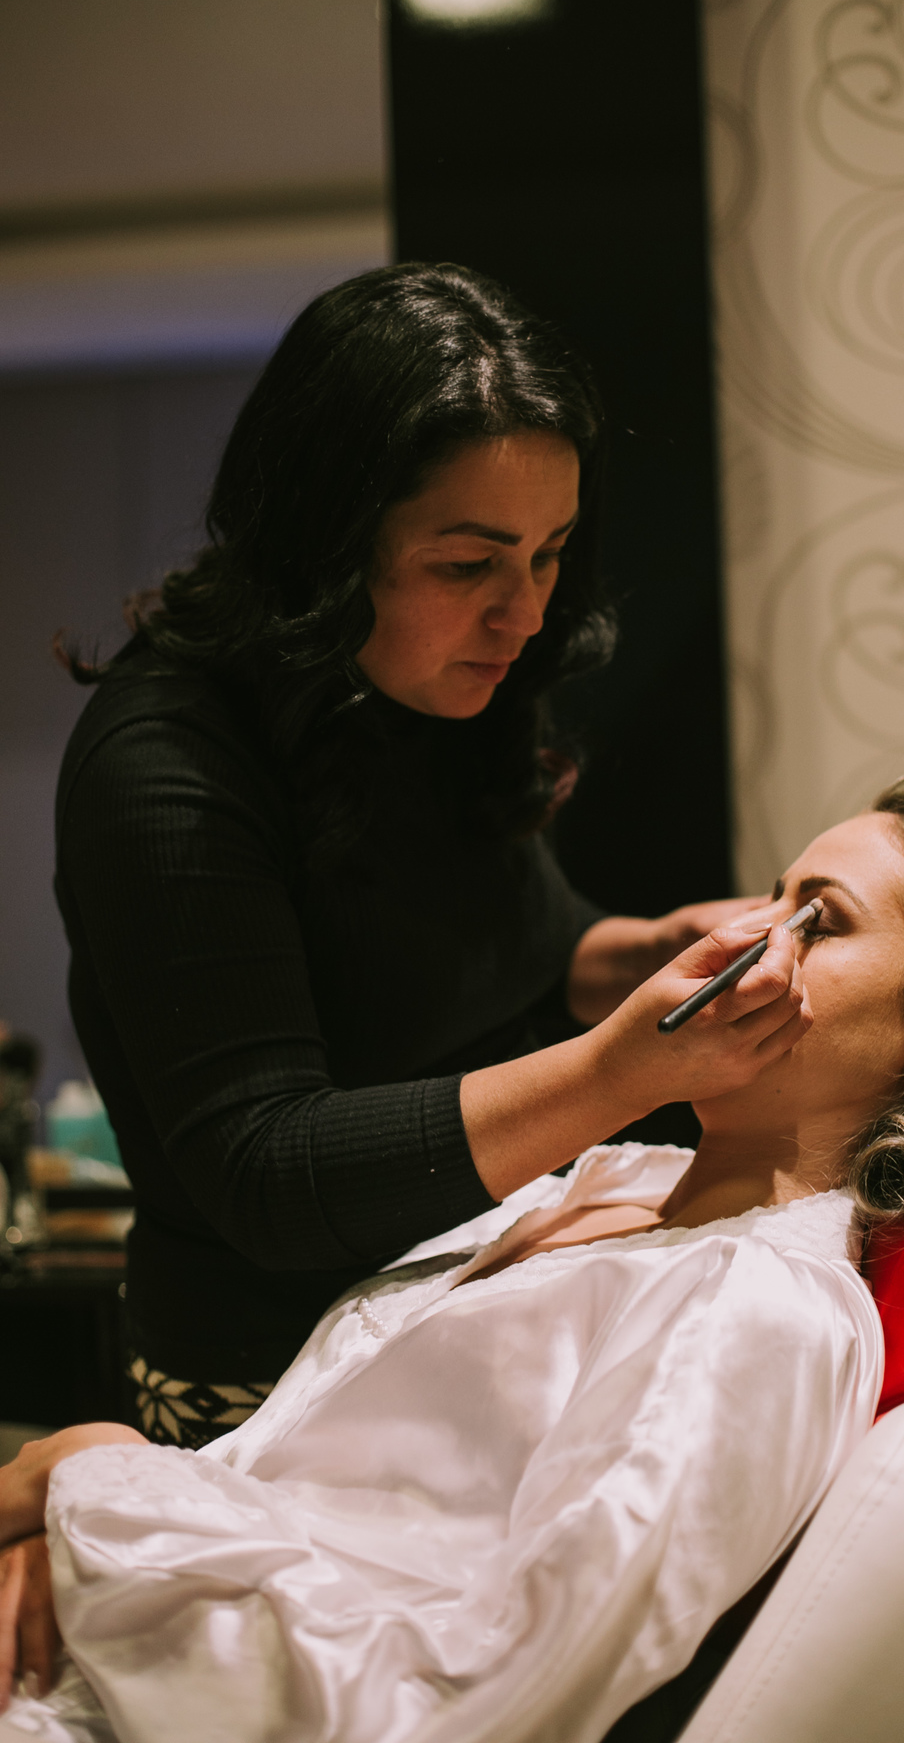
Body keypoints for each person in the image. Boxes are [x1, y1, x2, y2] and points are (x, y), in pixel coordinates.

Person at [6, 755, 904, 1743]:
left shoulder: (758, 1313)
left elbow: (463, 1704)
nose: (741, 937)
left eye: (819, 920)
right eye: (770, 896)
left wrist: (95, 1485)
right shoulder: (616, 1184)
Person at [53, 263, 783, 1445]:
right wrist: (620, 1071)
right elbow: (268, 1172)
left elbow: (520, 950)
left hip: (450, 1328)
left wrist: (645, 952)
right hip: (260, 1389)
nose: (525, 613)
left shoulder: (437, 684)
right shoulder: (163, 763)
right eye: (468, 564)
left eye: (550, 552)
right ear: (326, 542)